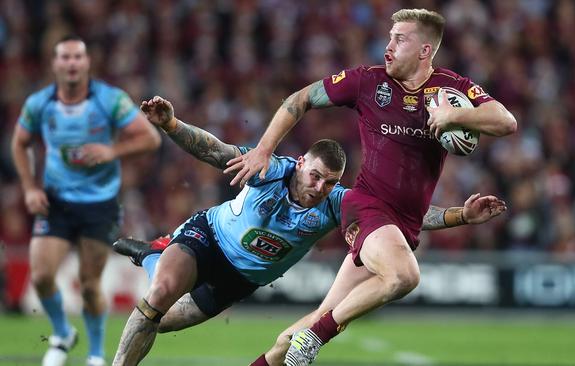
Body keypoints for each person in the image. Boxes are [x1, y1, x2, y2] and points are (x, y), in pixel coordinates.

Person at [111, 96, 507, 366]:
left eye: (329, 181)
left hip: (240, 279)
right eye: (315, 176)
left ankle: (150, 254)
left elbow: (402, 217)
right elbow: (216, 151)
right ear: (301, 163)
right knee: (158, 297)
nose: (320, 187)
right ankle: (157, 258)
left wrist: (460, 215)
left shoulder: (338, 203)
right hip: (210, 239)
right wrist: (172, 124)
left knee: (158, 321)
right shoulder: (270, 169)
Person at [223, 8, 517, 366]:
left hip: (402, 225)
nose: (388, 45)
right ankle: (319, 335)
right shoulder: (366, 81)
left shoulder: (451, 89)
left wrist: (456, 118)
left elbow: (505, 121)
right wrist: (263, 150)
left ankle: (305, 336)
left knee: (302, 329)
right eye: (389, 37)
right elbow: (299, 99)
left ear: (425, 51)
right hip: (365, 207)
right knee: (405, 275)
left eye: (400, 38)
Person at [10, 35, 161, 366]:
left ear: (87, 62)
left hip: (99, 204)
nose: (72, 63)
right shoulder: (39, 104)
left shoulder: (109, 101)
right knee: (41, 276)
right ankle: (63, 333)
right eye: (65, 57)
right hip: (56, 201)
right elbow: (19, 142)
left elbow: (150, 138)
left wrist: (113, 151)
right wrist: (29, 188)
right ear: (55, 64)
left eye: (78, 57)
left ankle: (95, 354)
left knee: (91, 284)